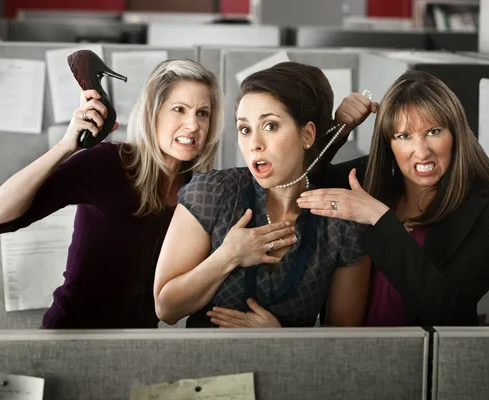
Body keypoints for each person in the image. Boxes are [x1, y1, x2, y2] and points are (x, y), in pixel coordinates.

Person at [0, 59, 225, 328]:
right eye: (179, 109)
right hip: (72, 337)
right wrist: (66, 147)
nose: (193, 125)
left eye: (203, 113)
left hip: (140, 348)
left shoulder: (202, 192)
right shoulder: (108, 164)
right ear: (152, 113)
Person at [153, 62, 379, 328]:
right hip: (207, 366)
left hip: (293, 368)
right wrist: (229, 256)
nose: (254, 144)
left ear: (307, 134)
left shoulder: (340, 224)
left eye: (270, 126)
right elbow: (166, 308)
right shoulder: (214, 193)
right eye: (245, 129)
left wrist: (279, 338)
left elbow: (343, 344)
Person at [297, 69, 489, 326]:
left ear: (455, 134)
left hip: (425, 359)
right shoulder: (373, 177)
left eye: (433, 132)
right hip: (349, 355)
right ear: (389, 144)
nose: (421, 152)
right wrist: (337, 132)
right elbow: (297, 185)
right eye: (404, 136)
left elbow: (448, 307)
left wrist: (378, 218)